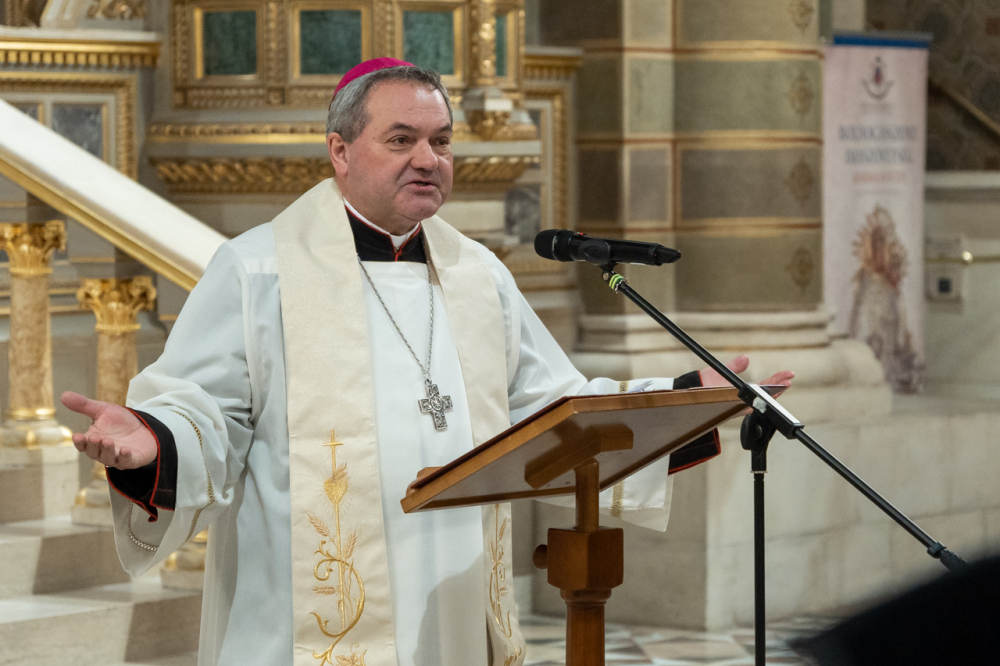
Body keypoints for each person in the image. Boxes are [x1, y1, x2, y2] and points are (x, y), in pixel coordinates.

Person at [61, 59, 793, 666]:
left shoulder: (478, 275)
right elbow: (205, 410)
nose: (427, 159)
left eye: (441, 141)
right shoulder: (259, 271)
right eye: (401, 139)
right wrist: (155, 440)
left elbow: (552, 411)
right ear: (340, 151)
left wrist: (681, 400)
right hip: (306, 619)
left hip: (453, 602)